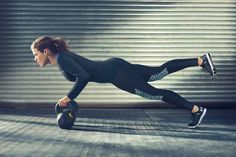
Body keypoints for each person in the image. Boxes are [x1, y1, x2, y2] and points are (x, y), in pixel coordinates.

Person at [31, 36, 216, 129]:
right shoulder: (61, 60)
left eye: (36, 54)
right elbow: (81, 74)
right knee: (158, 73)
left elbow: (83, 77)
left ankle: (196, 110)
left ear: (46, 51)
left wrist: (69, 96)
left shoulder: (62, 59)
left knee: (154, 92)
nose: (35, 58)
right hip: (116, 67)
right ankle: (201, 60)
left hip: (117, 74)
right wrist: (70, 99)